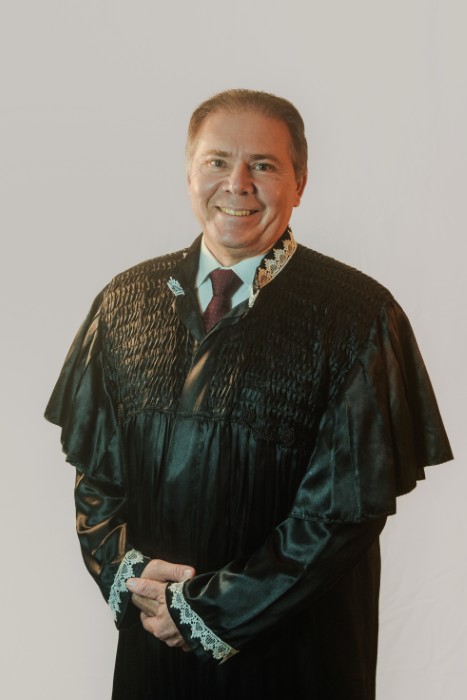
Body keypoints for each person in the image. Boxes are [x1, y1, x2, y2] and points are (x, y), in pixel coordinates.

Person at [45, 89, 453, 699]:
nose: (237, 184)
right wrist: (132, 576)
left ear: (300, 181)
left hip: (298, 660)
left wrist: (209, 610)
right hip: (153, 655)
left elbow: (337, 518)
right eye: (217, 161)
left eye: (263, 164)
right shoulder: (124, 302)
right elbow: (96, 478)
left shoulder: (359, 316)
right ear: (190, 172)